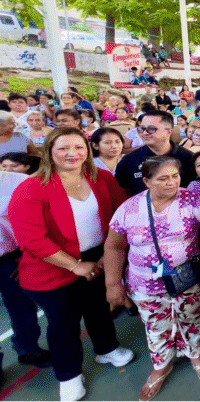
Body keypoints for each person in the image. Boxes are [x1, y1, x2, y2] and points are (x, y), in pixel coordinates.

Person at [9, 128, 134, 401]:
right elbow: (32, 240)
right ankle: (69, 375)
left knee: (99, 308)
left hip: (98, 258)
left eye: (78, 147)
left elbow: (119, 215)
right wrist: (75, 265)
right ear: (49, 153)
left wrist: (106, 256)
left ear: (88, 150)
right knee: (63, 322)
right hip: (52, 268)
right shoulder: (31, 188)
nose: (72, 154)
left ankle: (106, 348)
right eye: (63, 148)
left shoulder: (101, 178)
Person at [104, 156, 200, 400]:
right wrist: (113, 284)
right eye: (163, 178)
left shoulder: (192, 201)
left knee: (192, 316)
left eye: (175, 176)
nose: (171, 183)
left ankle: (196, 352)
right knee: (155, 324)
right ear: (146, 181)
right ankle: (162, 364)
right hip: (144, 282)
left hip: (187, 277)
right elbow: (114, 246)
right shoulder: (129, 208)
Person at [0, 170, 51, 382]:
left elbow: (38, 217)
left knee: (22, 305)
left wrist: (26, 254)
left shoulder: (17, 181)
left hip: (11, 257)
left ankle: (28, 348)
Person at [115, 110, 196, 196]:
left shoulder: (189, 158)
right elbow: (122, 192)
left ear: (169, 132)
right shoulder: (129, 160)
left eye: (151, 129)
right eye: (141, 129)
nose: (145, 133)